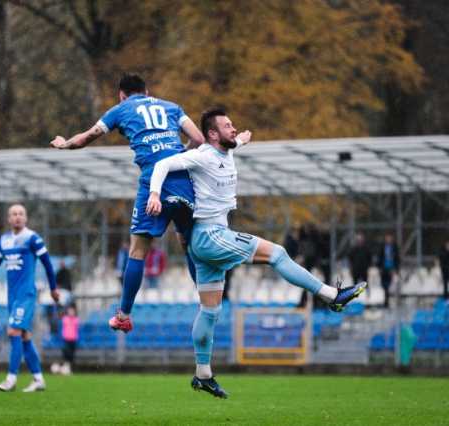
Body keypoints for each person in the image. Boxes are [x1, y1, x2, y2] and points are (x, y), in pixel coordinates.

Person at [147, 107, 367, 399]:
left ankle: (203, 375)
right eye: (228, 126)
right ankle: (331, 296)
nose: (234, 129)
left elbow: (235, 143)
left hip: (205, 242)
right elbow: (162, 166)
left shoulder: (229, 149)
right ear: (212, 134)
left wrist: (242, 140)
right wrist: (153, 194)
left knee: (210, 311)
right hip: (211, 235)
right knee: (276, 253)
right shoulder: (202, 155)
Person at [50, 73, 205, 333]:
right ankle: (207, 302)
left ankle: (123, 315)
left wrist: (64, 144)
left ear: (122, 94)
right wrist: (181, 155)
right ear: (147, 91)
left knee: (137, 251)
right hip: (183, 180)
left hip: (152, 182)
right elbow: (199, 139)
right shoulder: (171, 106)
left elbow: (86, 138)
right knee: (188, 244)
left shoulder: (121, 109)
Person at [0, 204, 59, 393]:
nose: (17, 217)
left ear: (25, 218)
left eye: (21, 214)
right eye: (13, 214)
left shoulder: (33, 239)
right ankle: (38, 379)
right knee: (25, 337)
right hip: (12, 296)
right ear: (9, 219)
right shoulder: (3, 241)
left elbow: (48, 264)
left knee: (13, 332)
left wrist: (53, 288)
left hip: (26, 295)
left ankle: (11, 379)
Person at [377, 232, 400, 308]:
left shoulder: (395, 248)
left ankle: (391, 301)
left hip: (392, 269)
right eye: (387, 238)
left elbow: (397, 259)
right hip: (384, 269)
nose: (389, 239)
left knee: (392, 286)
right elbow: (379, 258)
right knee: (384, 285)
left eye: (390, 238)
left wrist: (396, 269)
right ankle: (386, 300)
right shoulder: (382, 247)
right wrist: (379, 268)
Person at [60, 304, 79, 375]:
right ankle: (66, 368)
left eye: (72, 311)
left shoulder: (76, 320)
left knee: (72, 355)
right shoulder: (65, 319)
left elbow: (77, 330)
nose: (71, 312)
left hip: (73, 339)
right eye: (70, 311)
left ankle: (70, 369)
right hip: (66, 339)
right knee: (67, 354)